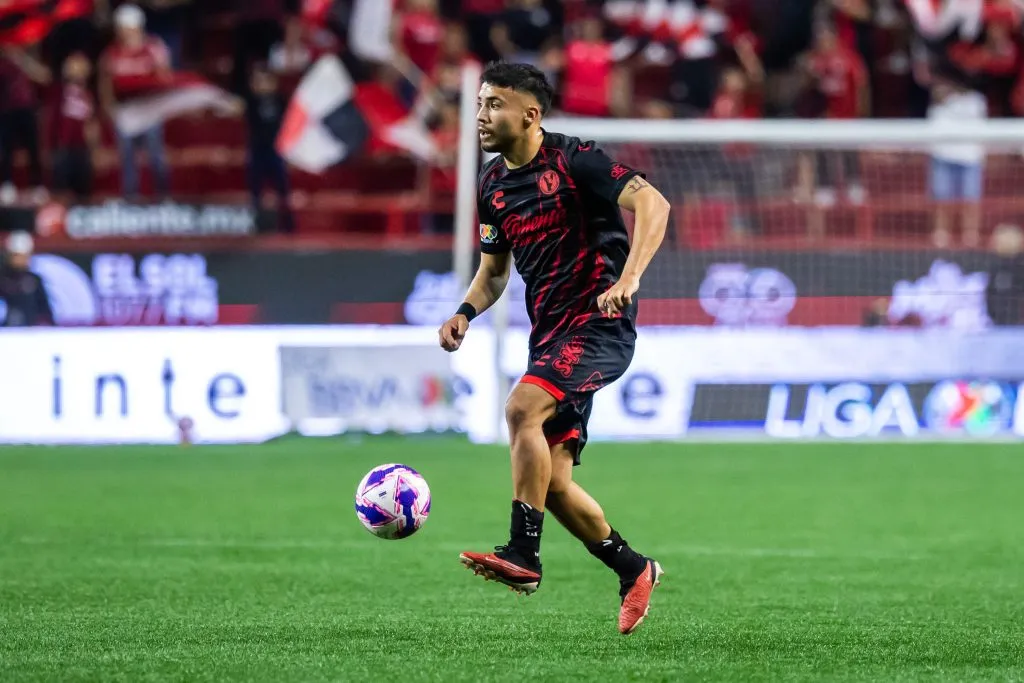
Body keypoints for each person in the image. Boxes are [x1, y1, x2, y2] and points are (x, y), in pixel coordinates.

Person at [437, 62, 671, 635]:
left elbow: (654, 205)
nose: (482, 115)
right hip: (550, 337)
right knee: (556, 482)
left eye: (494, 104)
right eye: (480, 104)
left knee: (520, 409)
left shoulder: (576, 160)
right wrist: (465, 312)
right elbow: (494, 272)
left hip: (598, 327)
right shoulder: (492, 186)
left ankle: (523, 555)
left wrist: (630, 277)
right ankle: (633, 567)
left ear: (530, 114)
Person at [0, 231, 53, 327]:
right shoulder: (2, 279)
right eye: (17, 255)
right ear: (9, 255)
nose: (22, 259)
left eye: (25, 256)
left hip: (29, 333)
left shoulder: (34, 280)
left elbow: (45, 310)